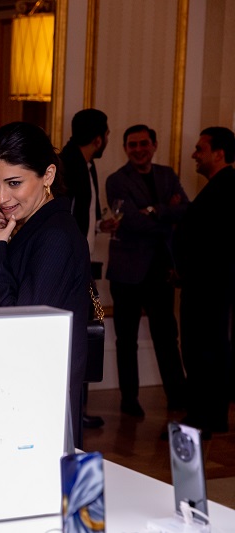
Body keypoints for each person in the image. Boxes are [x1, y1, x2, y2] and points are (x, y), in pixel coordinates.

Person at [0, 121, 92, 449]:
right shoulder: (35, 226)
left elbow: (18, 329)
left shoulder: (54, 235)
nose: (1, 197)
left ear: (48, 175)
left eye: (14, 183)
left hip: (37, 399)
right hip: (28, 392)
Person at [105, 124, 188, 418]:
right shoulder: (117, 180)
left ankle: (177, 396)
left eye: (143, 143)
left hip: (160, 270)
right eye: (132, 145)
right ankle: (129, 400)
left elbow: (185, 209)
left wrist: (153, 210)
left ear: (154, 145)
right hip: (127, 271)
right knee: (126, 340)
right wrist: (167, 216)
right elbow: (130, 221)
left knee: (167, 337)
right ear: (125, 148)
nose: (138, 149)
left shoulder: (168, 175)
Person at [174, 126, 235, 438]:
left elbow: (212, 241)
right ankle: (209, 415)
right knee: (208, 347)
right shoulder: (220, 186)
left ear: (219, 154)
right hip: (210, 283)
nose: (194, 155)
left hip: (208, 284)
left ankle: (203, 417)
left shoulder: (225, 188)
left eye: (200, 149)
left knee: (202, 349)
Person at [60, 108, 116, 429]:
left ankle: (78, 409)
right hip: (71, 265)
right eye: (106, 135)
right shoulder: (68, 164)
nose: (106, 139)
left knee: (83, 334)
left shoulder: (86, 165)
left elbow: (82, 214)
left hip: (80, 262)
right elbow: (64, 217)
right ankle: (72, 412)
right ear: (98, 138)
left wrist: (97, 225)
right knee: (77, 336)